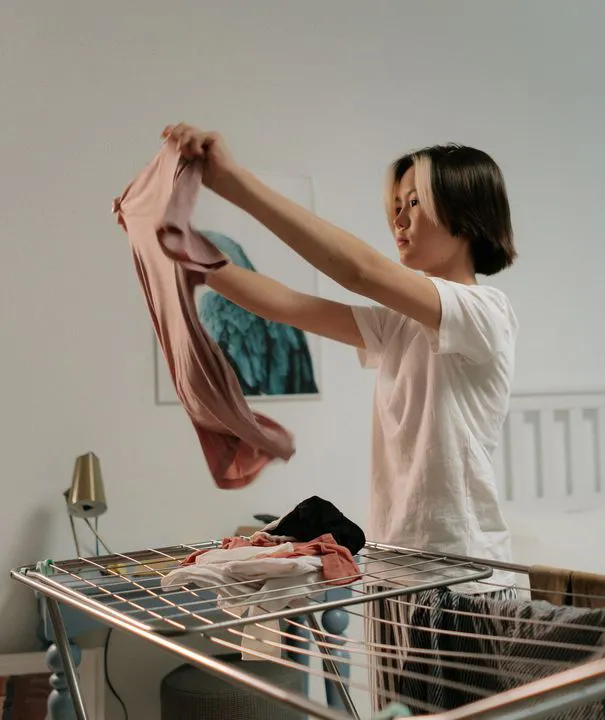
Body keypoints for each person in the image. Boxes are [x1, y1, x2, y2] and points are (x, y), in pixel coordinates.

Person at [160, 124, 520, 598]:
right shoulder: (399, 322)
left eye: (414, 203)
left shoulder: (484, 311)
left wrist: (232, 181)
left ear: (467, 214)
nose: (399, 220)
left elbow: (358, 271)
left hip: (464, 574)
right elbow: (285, 305)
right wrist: (178, 249)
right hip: (395, 566)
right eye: (397, 205)